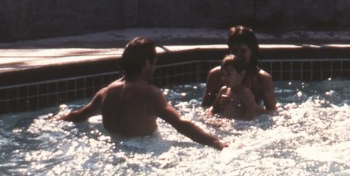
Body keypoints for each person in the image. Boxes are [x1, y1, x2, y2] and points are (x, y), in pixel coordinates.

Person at [57, 37, 225, 148]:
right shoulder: (149, 94)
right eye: (154, 62)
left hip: (112, 150)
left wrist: (57, 119)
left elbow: (78, 116)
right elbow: (180, 123)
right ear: (146, 63)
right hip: (144, 151)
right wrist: (215, 141)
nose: (155, 67)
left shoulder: (105, 93)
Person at [202, 26, 277, 112]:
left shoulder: (262, 79)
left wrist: (252, 106)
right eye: (234, 51)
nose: (238, 55)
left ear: (252, 52)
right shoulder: (215, 75)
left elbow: (272, 113)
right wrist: (219, 105)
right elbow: (205, 108)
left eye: (243, 51)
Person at [207, 54, 265, 120]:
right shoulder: (223, 90)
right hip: (226, 123)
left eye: (229, 74)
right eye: (223, 74)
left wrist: (240, 125)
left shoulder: (245, 93)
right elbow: (213, 108)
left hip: (239, 125)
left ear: (241, 75)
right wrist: (210, 116)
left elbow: (250, 114)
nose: (224, 78)